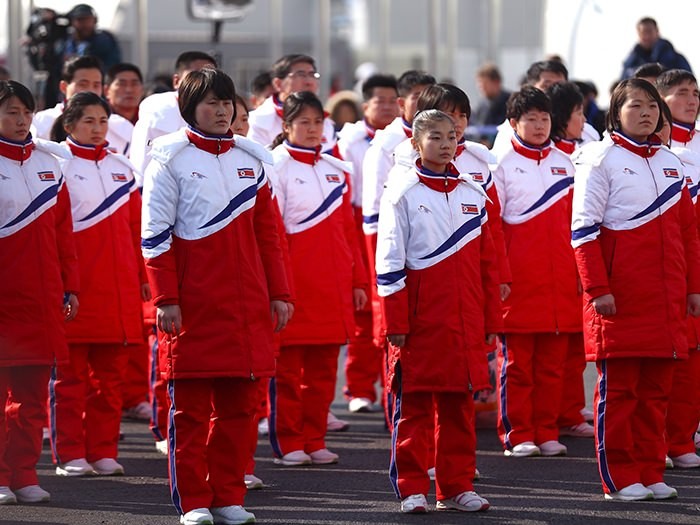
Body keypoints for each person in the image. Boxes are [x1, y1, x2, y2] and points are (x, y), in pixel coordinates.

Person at [141, 68, 292, 525]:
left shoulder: (253, 158)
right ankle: (194, 502)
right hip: (193, 305)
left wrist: (280, 292)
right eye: (211, 102)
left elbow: (270, 236)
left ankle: (228, 497)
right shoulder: (168, 158)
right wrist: (166, 297)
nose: (223, 110)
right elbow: (155, 237)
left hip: (247, 309)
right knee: (188, 413)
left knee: (241, 411)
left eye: (227, 102)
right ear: (189, 108)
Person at [571, 78, 700, 500]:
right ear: (615, 112)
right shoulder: (599, 159)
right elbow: (583, 233)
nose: (646, 113)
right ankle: (621, 477)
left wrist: (693, 288)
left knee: (657, 390)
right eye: (635, 106)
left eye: (651, 106)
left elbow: (688, 233)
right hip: (620, 298)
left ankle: (650, 471)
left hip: (666, 299)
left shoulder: (670, 162)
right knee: (622, 391)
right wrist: (597, 289)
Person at [376, 109, 500, 514]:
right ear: (416, 143)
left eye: (452, 137)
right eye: (435, 137)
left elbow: (487, 265)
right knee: (412, 409)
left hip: (464, 323)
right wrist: (395, 321)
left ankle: (456, 486)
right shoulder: (402, 192)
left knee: (459, 410)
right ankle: (412, 487)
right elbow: (389, 261)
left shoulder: (472, 192)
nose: (446, 145)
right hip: (419, 323)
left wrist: (490, 322)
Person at [49, 91, 148, 478]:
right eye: (88, 121)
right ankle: (71, 452)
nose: (97, 128)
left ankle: (103, 448)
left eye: (102, 121)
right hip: (77, 287)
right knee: (70, 379)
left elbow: (139, 230)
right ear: (69, 124)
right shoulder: (55, 163)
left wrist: (142, 277)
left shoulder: (123, 168)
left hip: (119, 289)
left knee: (109, 379)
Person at [266, 91, 367, 467]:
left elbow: (347, 231)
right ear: (287, 126)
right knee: (288, 371)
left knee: (324, 371)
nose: (312, 130)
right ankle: (290, 441)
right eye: (303, 122)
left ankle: (314, 437)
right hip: (294, 286)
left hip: (333, 286)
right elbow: (271, 233)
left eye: (317, 122)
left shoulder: (336, 169)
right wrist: (279, 287)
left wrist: (358, 281)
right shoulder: (274, 165)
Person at [0, 80, 79, 505]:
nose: (20, 120)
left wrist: (71, 286)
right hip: (3, 300)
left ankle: (24, 473)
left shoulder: (51, 164)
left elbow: (64, 236)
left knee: (31, 398)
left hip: (43, 300)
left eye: (26, 112)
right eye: (11, 111)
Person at [493, 86, 581, 458]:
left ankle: (547, 430)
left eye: (545, 118)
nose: (539, 125)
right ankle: (518, 432)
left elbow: (578, 223)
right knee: (517, 366)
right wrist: (501, 275)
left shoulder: (567, 162)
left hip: (560, 281)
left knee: (552, 365)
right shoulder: (500, 164)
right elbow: (492, 227)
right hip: (520, 282)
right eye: (531, 118)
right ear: (514, 122)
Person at [337, 73, 399, 415]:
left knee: (392, 312)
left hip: (397, 223)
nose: (388, 106)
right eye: (381, 101)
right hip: (361, 223)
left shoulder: (409, 139)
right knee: (363, 313)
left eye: (394, 100)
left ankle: (388, 382)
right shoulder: (350, 141)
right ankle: (359, 388)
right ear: (365, 106)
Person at [546, 81, 596, 439]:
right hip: (556, 259)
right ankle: (548, 417)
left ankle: (570, 410)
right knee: (554, 348)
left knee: (576, 346)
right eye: (577, 112)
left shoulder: (588, 149)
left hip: (581, 258)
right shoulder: (552, 156)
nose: (583, 119)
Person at [655, 70, 700, 469]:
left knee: (695, 360)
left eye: (695, 93)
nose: (690, 100)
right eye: (681, 93)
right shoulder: (655, 153)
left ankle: (683, 440)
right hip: (670, 268)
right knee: (672, 358)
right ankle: (659, 443)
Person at [130, 51, 217, 183]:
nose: (203, 83)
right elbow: (144, 165)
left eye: (210, 77)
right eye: (196, 76)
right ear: (176, 81)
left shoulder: (222, 109)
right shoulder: (158, 109)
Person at [248, 54, 336, 151]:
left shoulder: (326, 122)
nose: (309, 82)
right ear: (278, 84)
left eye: (312, 75)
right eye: (301, 75)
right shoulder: (258, 121)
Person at [490, 60, 569, 156]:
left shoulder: (582, 128)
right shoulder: (511, 132)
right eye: (547, 86)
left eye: (560, 87)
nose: (555, 92)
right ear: (531, 87)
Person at [31, 55, 103, 140]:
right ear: (64, 87)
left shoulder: (116, 124)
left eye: (96, 85)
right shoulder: (41, 122)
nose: (90, 91)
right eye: (83, 85)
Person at [621, 17, 692, 80]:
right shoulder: (630, 65)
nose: (647, 36)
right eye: (643, 33)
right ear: (638, 34)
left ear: (657, 31)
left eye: (649, 31)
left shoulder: (676, 60)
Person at [63, 4, 121, 71]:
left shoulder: (104, 40)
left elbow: (112, 66)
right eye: (80, 20)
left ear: (95, 21)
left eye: (88, 20)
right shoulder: (66, 41)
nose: (85, 24)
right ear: (72, 22)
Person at [104, 63, 144, 157]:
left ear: (142, 89)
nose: (129, 90)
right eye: (122, 84)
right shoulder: (99, 120)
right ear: (106, 91)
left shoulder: (148, 119)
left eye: (134, 84)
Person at [472, 63, 511, 143]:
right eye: (479, 84)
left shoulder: (510, 102)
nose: (481, 87)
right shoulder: (482, 105)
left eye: (485, 84)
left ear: (496, 82)